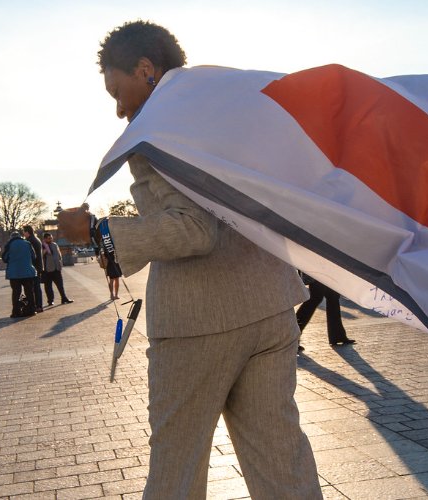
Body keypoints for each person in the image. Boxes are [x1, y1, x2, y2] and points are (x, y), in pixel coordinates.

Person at [57, 20, 318, 498]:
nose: (119, 109)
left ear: (146, 69)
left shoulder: (159, 129)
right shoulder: (224, 112)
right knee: (283, 462)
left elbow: (194, 230)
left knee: (177, 469)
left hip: (200, 320)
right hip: (270, 301)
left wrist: (96, 232)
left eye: (118, 90)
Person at [296, 275, 353, 348]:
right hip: (317, 270)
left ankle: (337, 335)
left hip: (328, 270)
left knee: (333, 298)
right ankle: (292, 337)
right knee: (316, 298)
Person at [2, 231, 38, 318]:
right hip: (28, 272)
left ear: (11, 238)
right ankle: (31, 310)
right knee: (29, 291)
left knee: (16, 293)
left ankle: (16, 312)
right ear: (20, 236)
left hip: (14, 273)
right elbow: (34, 256)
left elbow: (5, 258)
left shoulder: (9, 244)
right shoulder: (27, 243)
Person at [40, 232, 72, 306]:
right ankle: (50, 301)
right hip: (47, 270)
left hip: (56, 269)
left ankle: (64, 298)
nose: (50, 239)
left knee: (60, 285)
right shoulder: (42, 246)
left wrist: (60, 263)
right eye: (48, 238)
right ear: (44, 239)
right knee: (48, 287)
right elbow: (40, 256)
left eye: (51, 238)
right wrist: (45, 250)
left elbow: (59, 255)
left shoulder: (54, 245)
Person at [23, 225, 45, 313]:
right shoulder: (36, 239)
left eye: (24, 232)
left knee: (34, 288)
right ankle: (39, 305)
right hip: (39, 266)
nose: (23, 234)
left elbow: (30, 256)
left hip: (33, 267)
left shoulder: (29, 241)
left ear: (27, 232)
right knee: (36, 287)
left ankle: (37, 306)